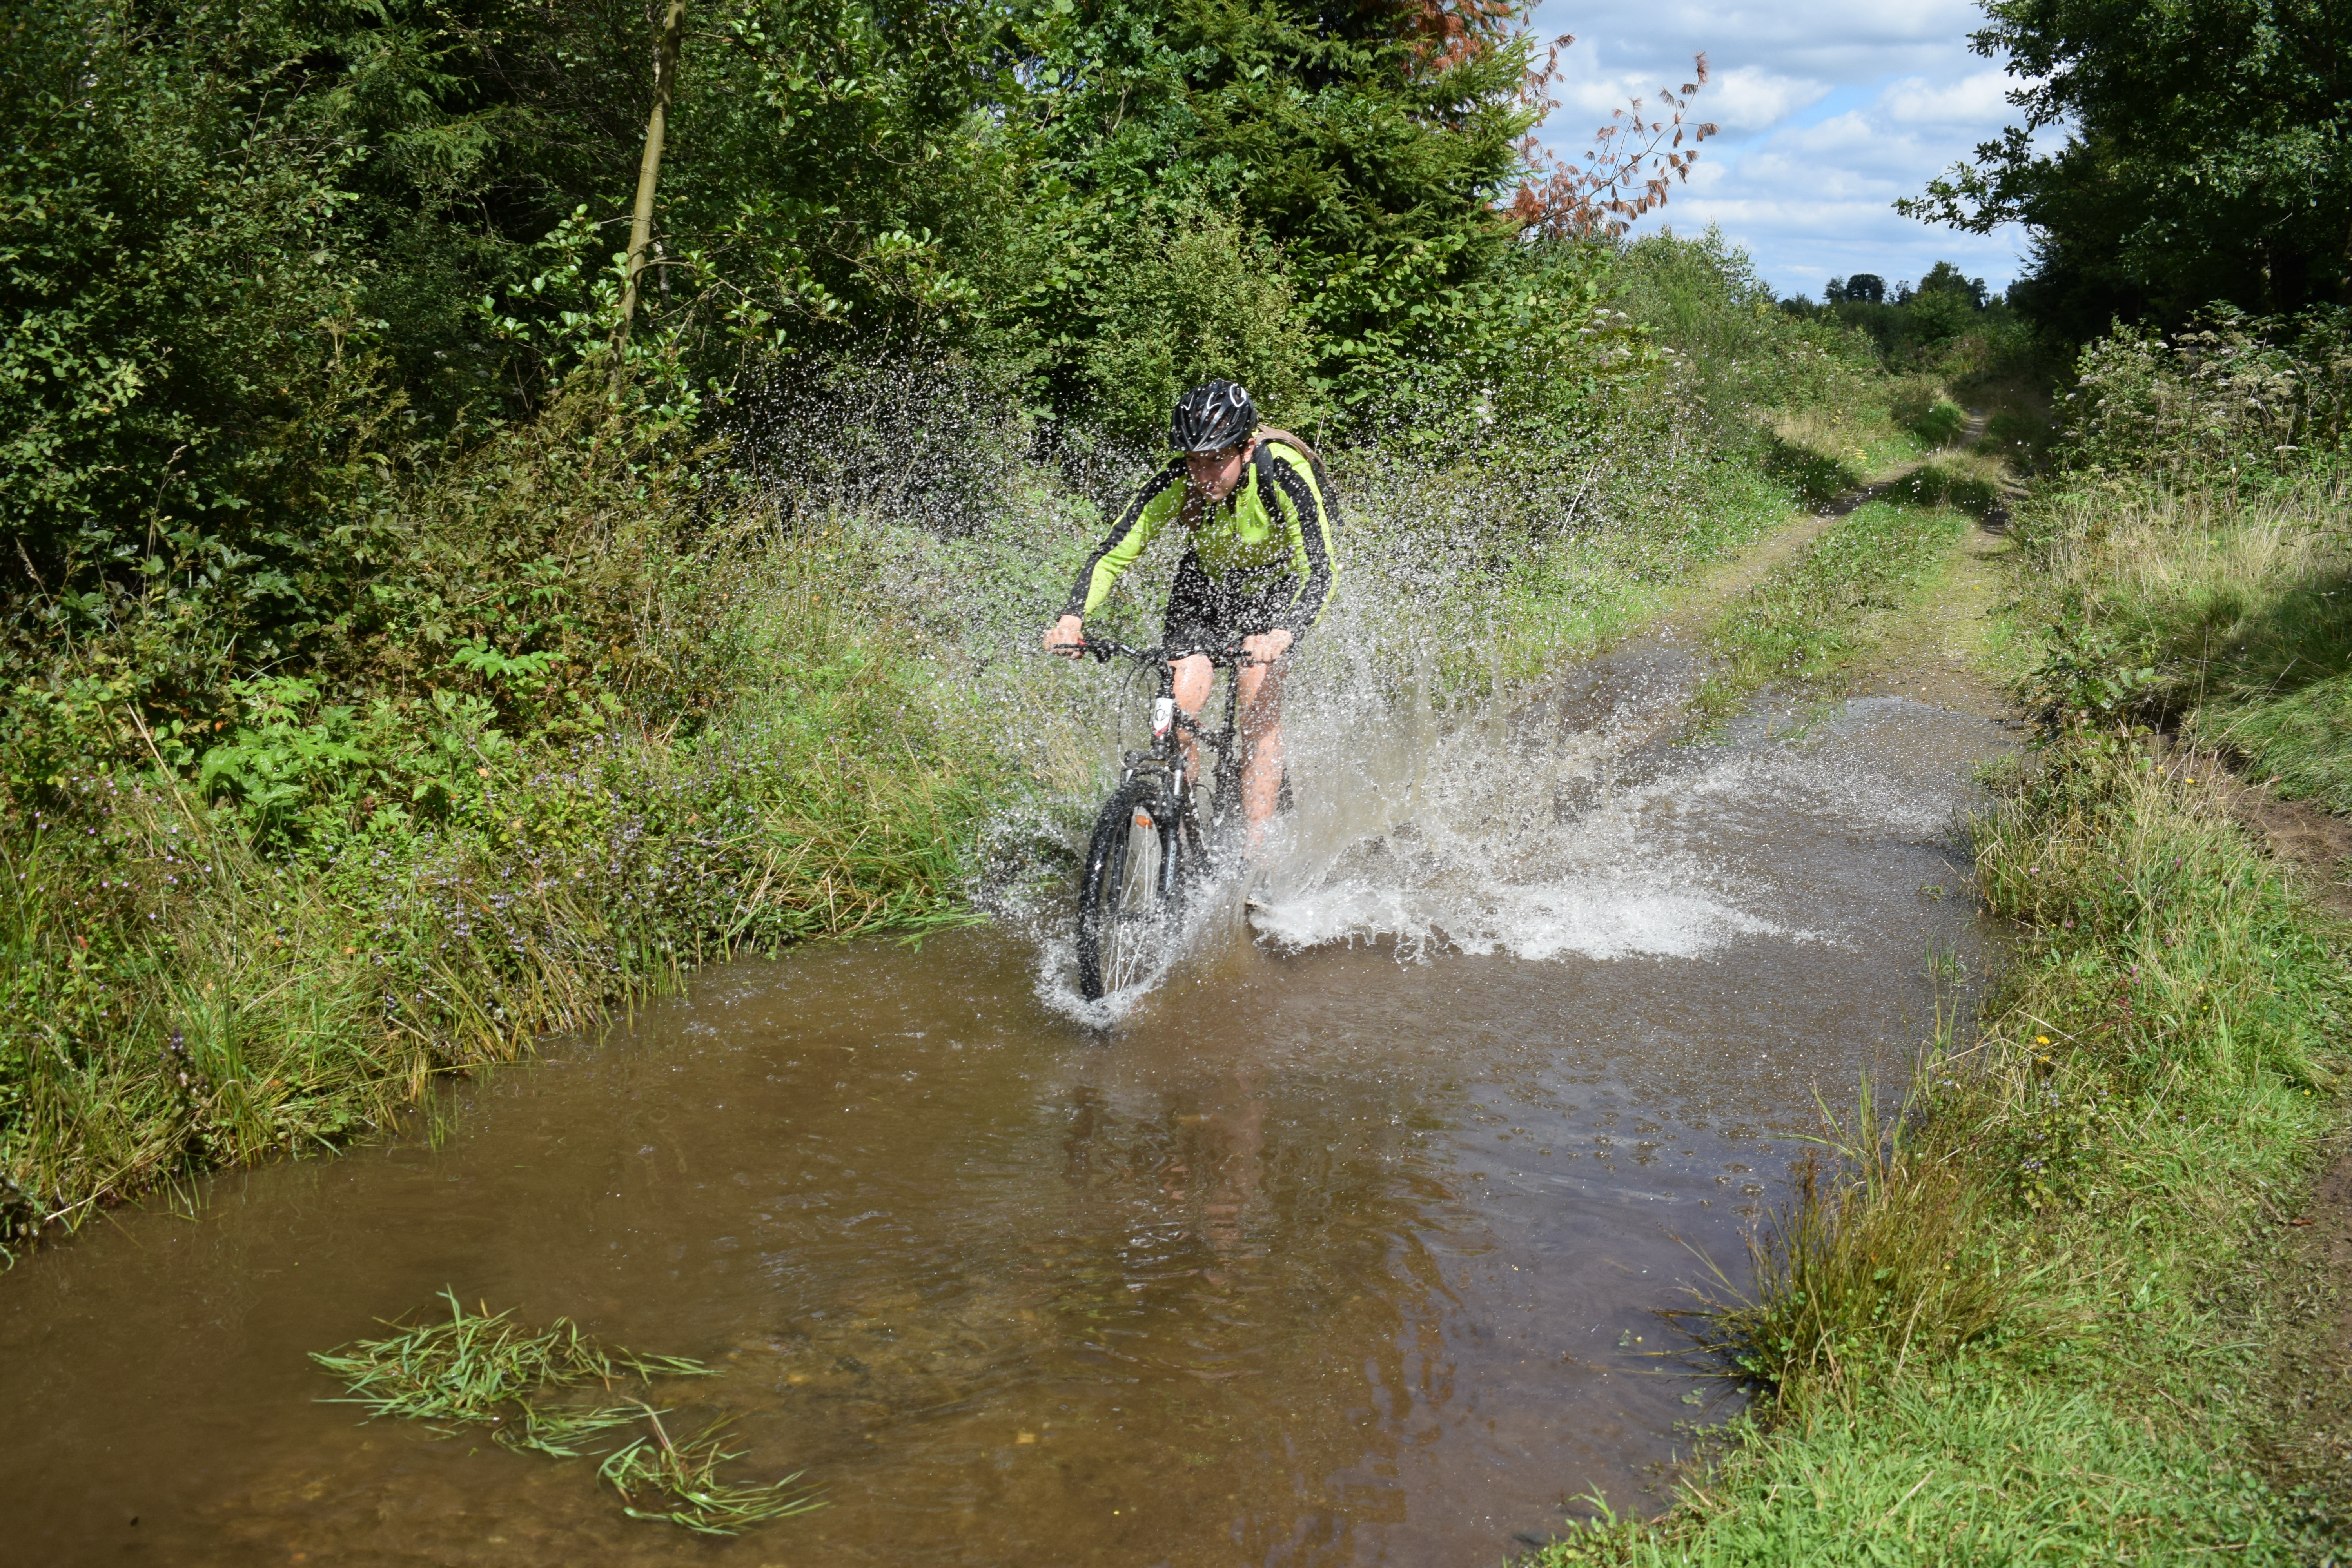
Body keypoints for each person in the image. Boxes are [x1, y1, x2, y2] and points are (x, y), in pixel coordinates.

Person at [1043, 380, 1336, 854]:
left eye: (1216, 459)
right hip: (1207, 585)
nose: (1204, 473)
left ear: (1245, 447)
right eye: (1194, 460)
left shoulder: (1283, 473)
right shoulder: (1177, 480)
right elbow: (1114, 553)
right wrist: (1072, 619)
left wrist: (1283, 633)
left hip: (1276, 588)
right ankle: (1180, 850)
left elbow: (1319, 569)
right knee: (1178, 713)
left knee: (1256, 696)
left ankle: (1257, 854)